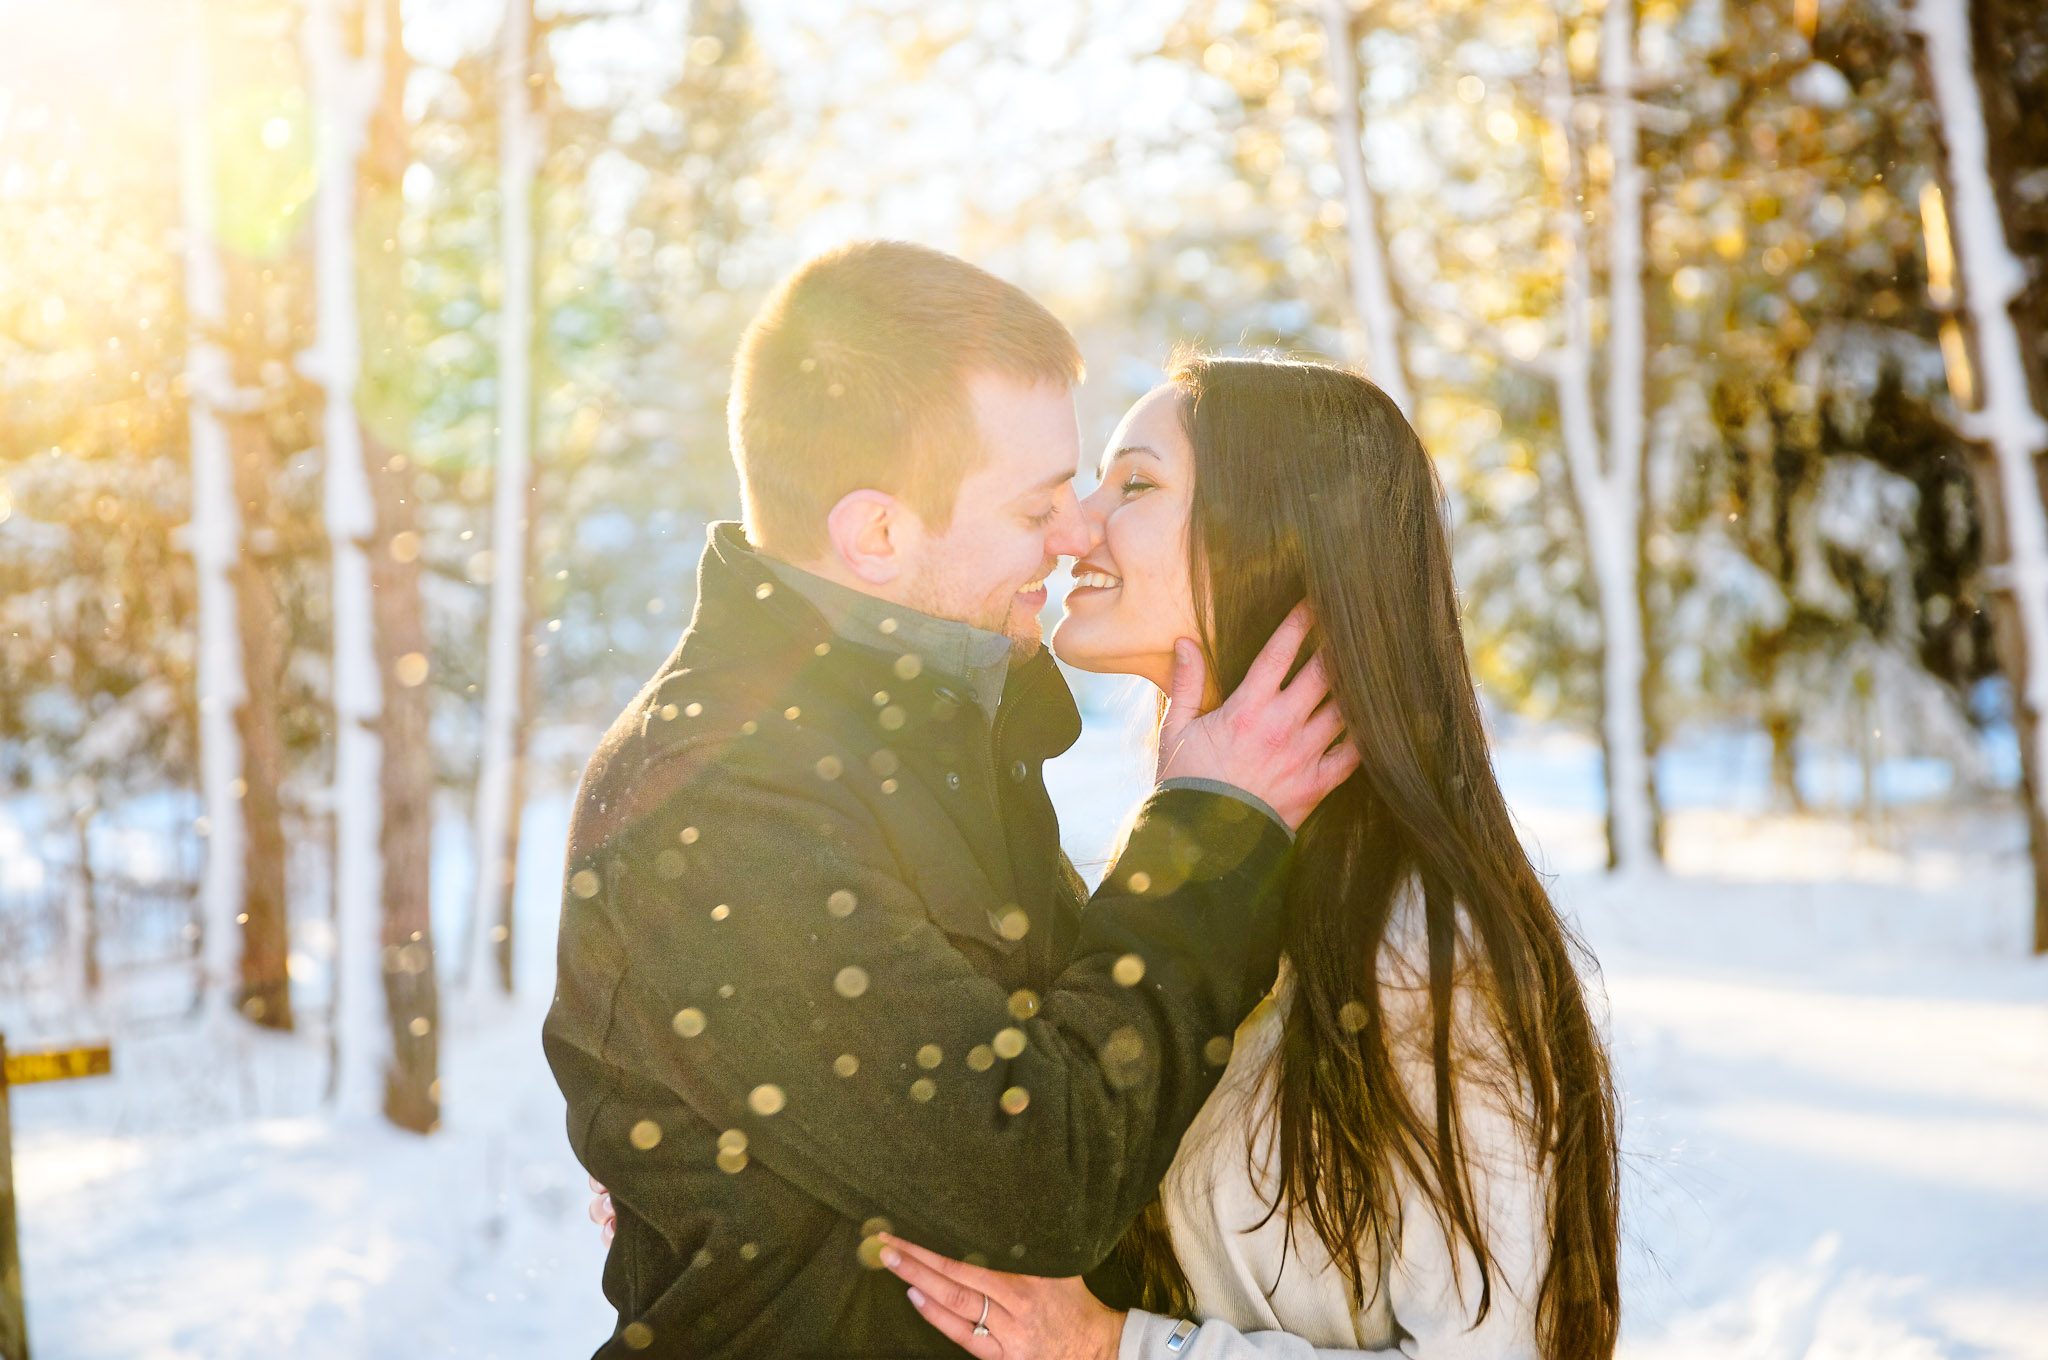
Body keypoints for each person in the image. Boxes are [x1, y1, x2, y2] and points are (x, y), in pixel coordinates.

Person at [544, 244, 1359, 1358]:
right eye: (1037, 506)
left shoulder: (933, 724)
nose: (1075, 533)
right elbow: (1041, 1174)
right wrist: (1211, 833)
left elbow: (1075, 1069)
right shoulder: (719, 795)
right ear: (876, 533)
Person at [868, 356, 1622, 1359]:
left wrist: (1116, 1349)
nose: (1075, 524)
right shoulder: (1176, 887)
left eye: (1132, 484)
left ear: (1275, 536)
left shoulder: (1423, 951)